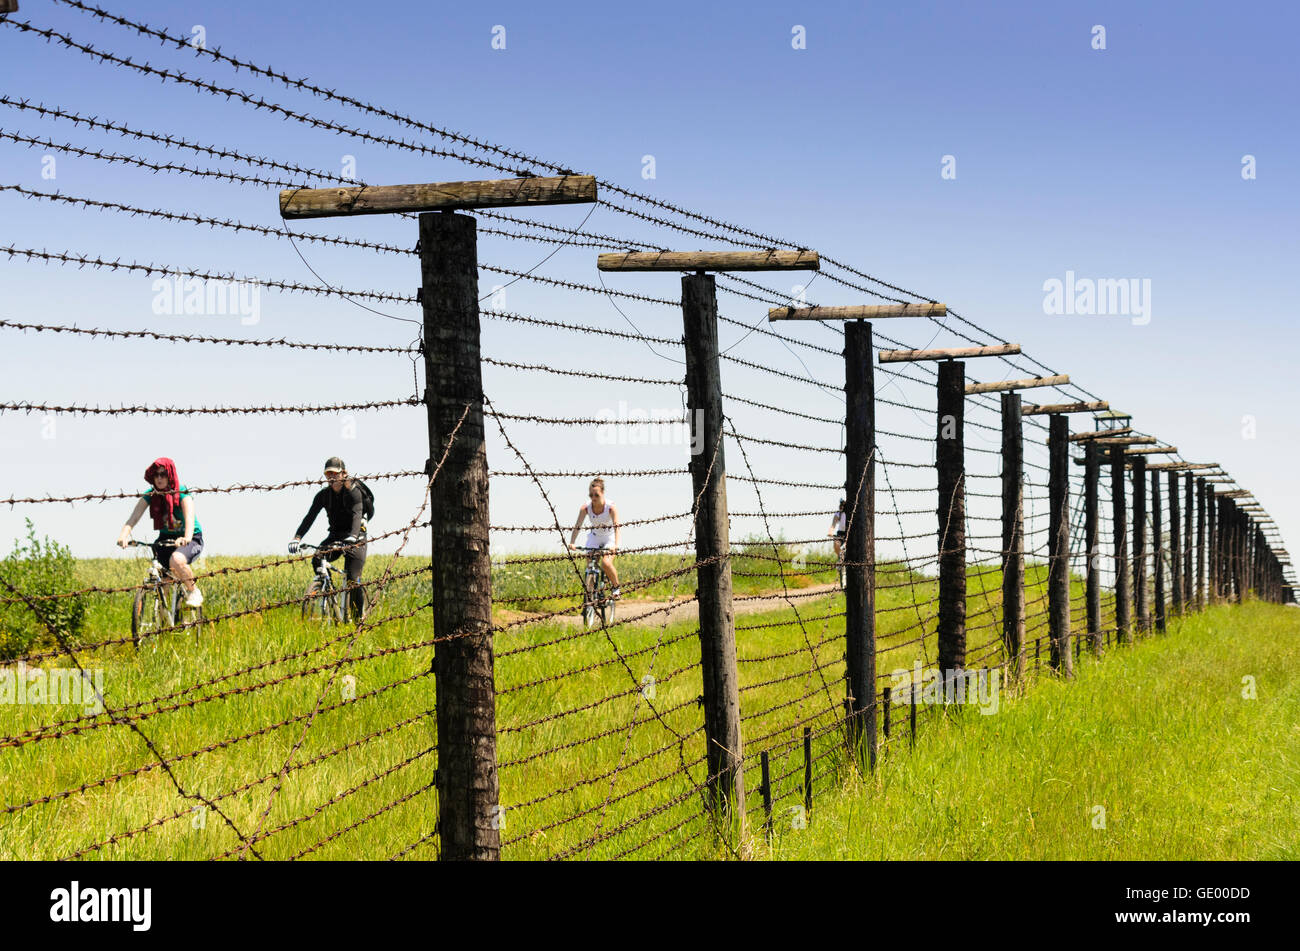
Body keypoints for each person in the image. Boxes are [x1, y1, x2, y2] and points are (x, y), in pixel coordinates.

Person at [116, 457, 205, 608]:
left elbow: (189, 518)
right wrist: (123, 535)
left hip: (191, 538)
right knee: (162, 578)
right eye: (156, 475)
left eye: (163, 474)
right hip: (165, 538)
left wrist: (186, 537)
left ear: (170, 475)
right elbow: (134, 517)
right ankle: (167, 617)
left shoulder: (181, 492)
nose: (159, 478)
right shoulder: (152, 494)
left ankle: (193, 591)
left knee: (176, 560)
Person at [289, 456, 367, 620]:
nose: (331, 478)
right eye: (327, 474)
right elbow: (309, 517)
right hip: (335, 535)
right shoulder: (323, 496)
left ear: (343, 474)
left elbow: (357, 515)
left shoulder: (353, 492)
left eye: (334, 474)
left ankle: (358, 620)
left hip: (356, 535)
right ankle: (328, 588)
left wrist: (353, 537)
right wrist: (297, 538)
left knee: (353, 578)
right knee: (317, 558)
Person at [567, 476, 620, 598]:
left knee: (606, 563)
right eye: (591, 495)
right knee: (590, 560)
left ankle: (616, 587)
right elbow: (577, 526)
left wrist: (616, 545)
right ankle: (591, 586)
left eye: (596, 495)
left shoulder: (610, 507)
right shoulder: (585, 508)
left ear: (602, 493)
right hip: (595, 536)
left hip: (609, 537)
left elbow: (617, 527)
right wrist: (572, 542)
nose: (593, 498)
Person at [828, 498, 848, 563]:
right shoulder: (838, 513)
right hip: (841, 532)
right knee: (836, 544)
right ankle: (840, 557)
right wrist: (830, 532)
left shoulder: (849, 513)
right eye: (841, 505)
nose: (841, 507)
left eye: (843, 505)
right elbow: (833, 524)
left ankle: (845, 559)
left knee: (848, 547)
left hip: (849, 532)